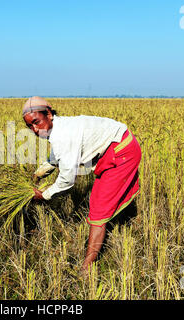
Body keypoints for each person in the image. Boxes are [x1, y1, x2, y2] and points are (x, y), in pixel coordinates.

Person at [22, 96, 142, 273]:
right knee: (101, 201)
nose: (35, 129)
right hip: (113, 149)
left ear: (48, 114)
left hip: (121, 153)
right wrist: (38, 174)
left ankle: (87, 267)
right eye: (30, 126)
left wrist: (44, 195)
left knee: (98, 209)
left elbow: (67, 180)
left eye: (36, 122)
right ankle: (114, 221)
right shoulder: (58, 128)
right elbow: (56, 158)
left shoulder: (63, 135)